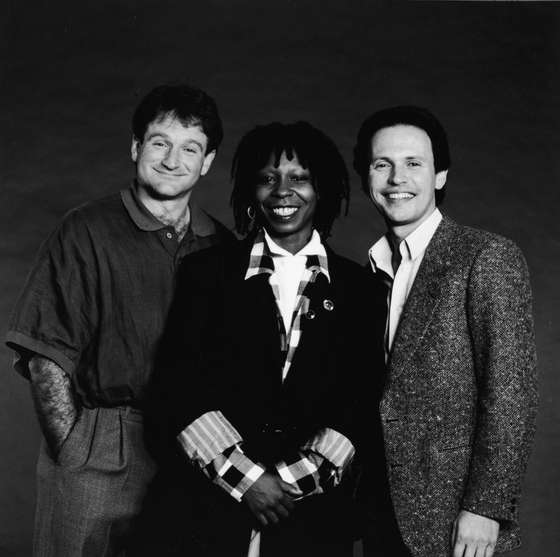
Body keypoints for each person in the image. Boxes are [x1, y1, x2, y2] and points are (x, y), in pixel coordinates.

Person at [5, 83, 233, 556]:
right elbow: (45, 352)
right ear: (135, 147)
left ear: (207, 161)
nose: (173, 159)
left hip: (194, 448)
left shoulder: (222, 246)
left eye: (190, 148)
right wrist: (74, 449)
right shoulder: (85, 229)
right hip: (104, 441)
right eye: (159, 142)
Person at [146, 121, 380, 557]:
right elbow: (175, 390)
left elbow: (361, 404)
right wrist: (248, 480)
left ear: (323, 189)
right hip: (205, 512)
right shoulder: (206, 274)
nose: (282, 191)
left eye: (300, 178)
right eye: (267, 178)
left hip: (312, 522)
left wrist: (287, 486)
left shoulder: (361, 290)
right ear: (250, 191)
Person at [353, 106, 538, 557]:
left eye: (413, 163)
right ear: (366, 178)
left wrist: (486, 507)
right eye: (383, 164)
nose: (398, 178)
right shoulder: (369, 271)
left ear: (439, 176)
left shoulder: (486, 257)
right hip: (378, 510)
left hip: (454, 518)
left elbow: (511, 393)